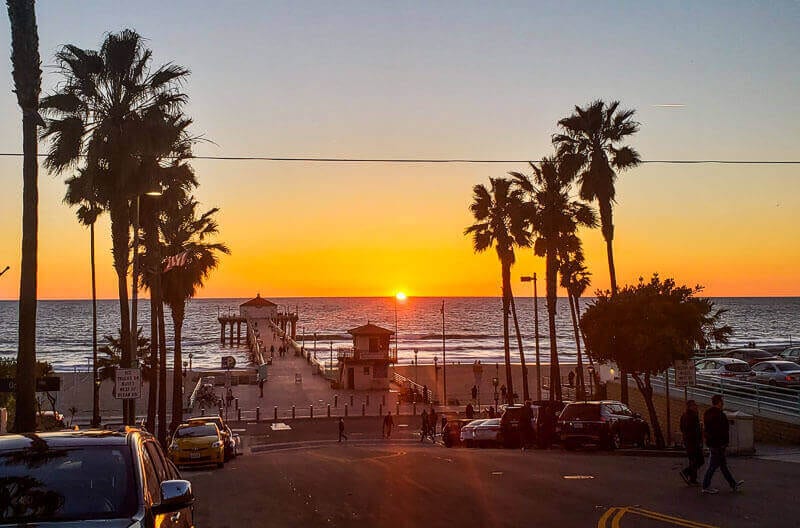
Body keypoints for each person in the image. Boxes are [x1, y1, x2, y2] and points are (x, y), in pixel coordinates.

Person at [701, 395, 743, 494]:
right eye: (721, 402)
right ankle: (706, 486)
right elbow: (721, 430)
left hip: (713, 442)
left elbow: (707, 429)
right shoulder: (719, 415)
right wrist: (724, 442)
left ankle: (733, 484)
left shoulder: (708, 413)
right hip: (718, 444)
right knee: (713, 465)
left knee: (722, 465)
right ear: (718, 402)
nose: (723, 403)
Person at [680, 400, 704, 486]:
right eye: (694, 405)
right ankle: (690, 476)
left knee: (694, 460)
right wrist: (698, 440)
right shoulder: (693, 416)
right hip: (693, 441)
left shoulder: (684, 415)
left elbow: (682, 428)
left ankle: (689, 475)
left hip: (688, 441)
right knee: (697, 460)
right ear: (690, 406)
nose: (696, 407)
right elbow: (695, 430)